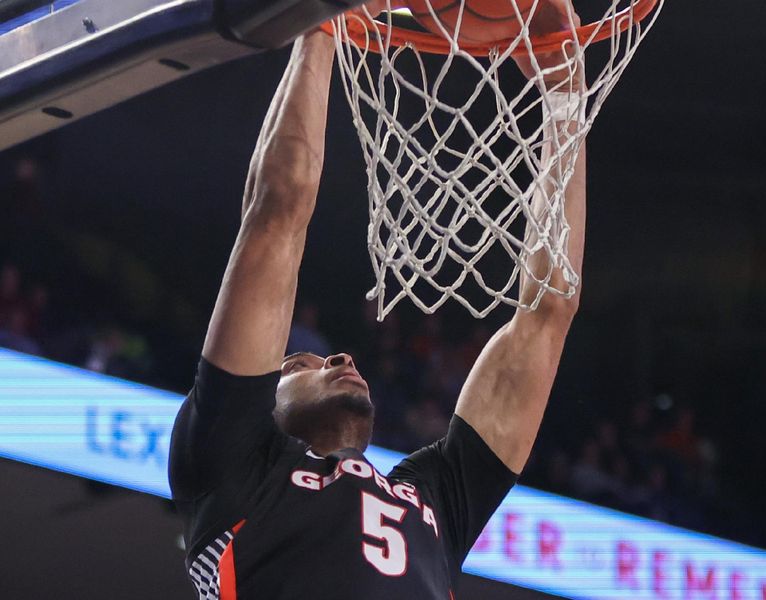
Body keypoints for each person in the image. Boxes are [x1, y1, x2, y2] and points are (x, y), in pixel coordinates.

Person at [168, 2, 586, 597]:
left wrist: (566, 98)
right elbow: (277, 210)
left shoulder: (430, 501)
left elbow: (548, 311)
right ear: (260, 410)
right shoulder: (231, 468)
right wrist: (315, 25)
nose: (337, 358)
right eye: (298, 364)